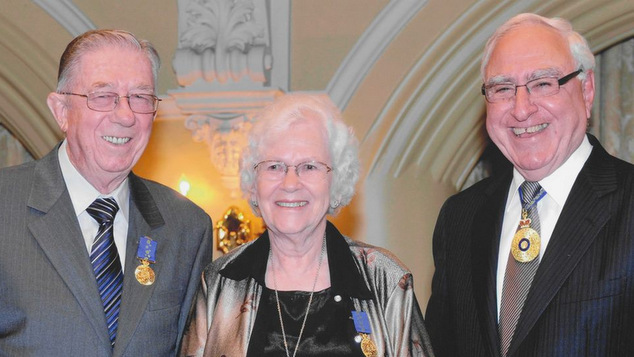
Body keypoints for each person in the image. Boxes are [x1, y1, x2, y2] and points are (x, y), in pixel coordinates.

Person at [425, 13, 634, 357]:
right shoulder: (459, 217)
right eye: (503, 88)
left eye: (543, 84)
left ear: (586, 90)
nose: (521, 110)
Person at [0, 29, 212, 356]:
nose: (126, 115)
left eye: (141, 97)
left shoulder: (186, 226)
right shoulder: (5, 205)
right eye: (103, 95)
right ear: (61, 111)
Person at [180, 93, 434, 356]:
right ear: (254, 183)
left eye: (309, 167)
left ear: (336, 181)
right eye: (275, 166)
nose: (290, 183)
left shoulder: (386, 281)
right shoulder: (219, 283)